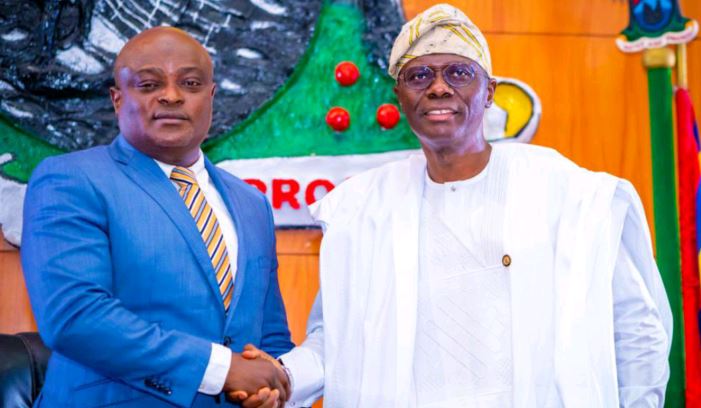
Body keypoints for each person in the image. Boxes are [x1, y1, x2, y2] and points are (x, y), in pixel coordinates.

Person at [241, 3, 673, 407]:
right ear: (399, 96)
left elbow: (636, 330)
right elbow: (335, 337)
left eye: (459, 73)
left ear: (489, 92)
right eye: (419, 76)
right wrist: (284, 377)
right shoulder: (364, 211)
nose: (439, 88)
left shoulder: (569, 196)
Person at [21, 26, 293, 407]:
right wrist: (219, 368)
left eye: (190, 83)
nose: (171, 95)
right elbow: (75, 316)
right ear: (117, 99)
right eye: (149, 84)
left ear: (211, 96)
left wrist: (272, 388)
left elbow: (270, 336)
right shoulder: (71, 180)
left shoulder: (252, 204)